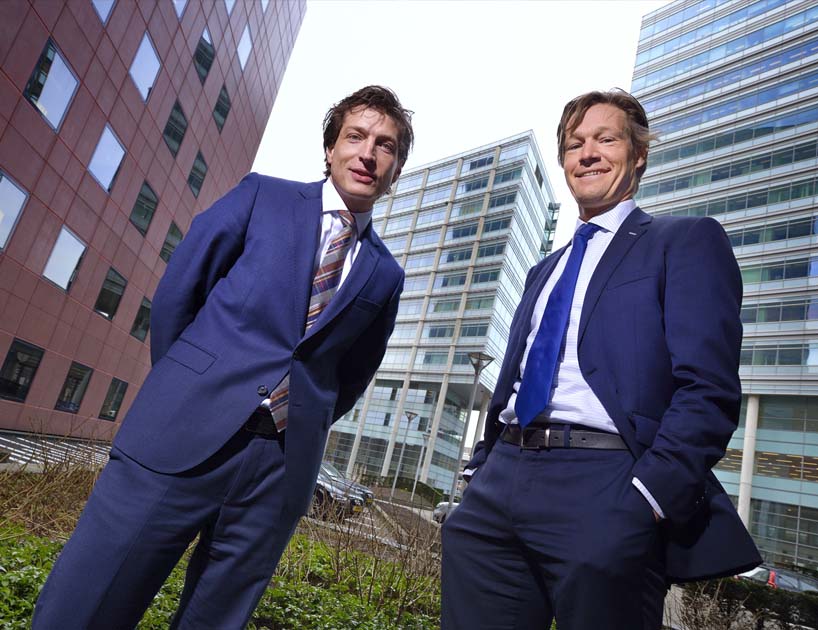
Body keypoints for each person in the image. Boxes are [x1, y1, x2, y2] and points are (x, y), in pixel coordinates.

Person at [33, 85, 413, 629]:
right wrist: (186, 389)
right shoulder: (262, 197)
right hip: (181, 432)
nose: (368, 153)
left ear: (395, 170)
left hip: (277, 471)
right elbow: (179, 293)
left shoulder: (386, 274)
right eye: (356, 137)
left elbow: (350, 377)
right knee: (86, 604)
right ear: (331, 148)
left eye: (385, 145)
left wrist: (297, 420)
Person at [441, 89, 761, 630]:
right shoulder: (544, 270)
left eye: (605, 139)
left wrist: (649, 497)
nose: (587, 153)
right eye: (574, 144)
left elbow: (708, 389)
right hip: (501, 482)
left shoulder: (683, 241)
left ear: (638, 155)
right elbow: (515, 377)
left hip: (607, 484)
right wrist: (480, 468)